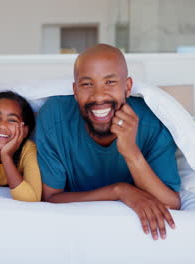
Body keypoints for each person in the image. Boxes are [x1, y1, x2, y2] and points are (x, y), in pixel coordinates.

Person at [36, 44, 181, 240]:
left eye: (110, 82)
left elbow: (171, 203)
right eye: (87, 84)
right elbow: (51, 197)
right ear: (75, 90)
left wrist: (131, 152)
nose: (98, 96)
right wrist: (120, 191)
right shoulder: (54, 117)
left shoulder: (153, 123)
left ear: (128, 87)